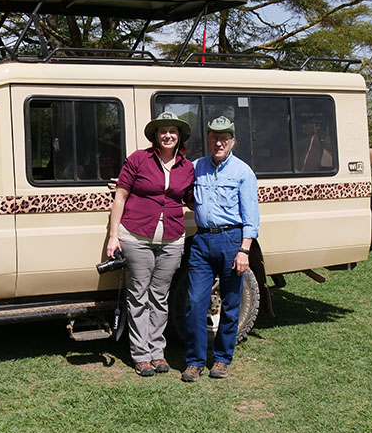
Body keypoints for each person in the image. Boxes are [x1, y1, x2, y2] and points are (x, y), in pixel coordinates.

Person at [107, 111, 195, 377]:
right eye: (162, 131)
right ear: (156, 136)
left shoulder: (187, 168)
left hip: (172, 238)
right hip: (136, 237)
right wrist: (113, 237)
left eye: (173, 131)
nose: (168, 135)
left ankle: (157, 351)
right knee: (138, 296)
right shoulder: (138, 159)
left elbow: (192, 199)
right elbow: (120, 198)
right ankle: (141, 355)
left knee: (160, 296)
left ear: (179, 137)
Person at [182, 116, 259, 382]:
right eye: (214, 137)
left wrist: (244, 251)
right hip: (202, 241)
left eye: (224, 138)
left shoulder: (243, 172)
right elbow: (170, 185)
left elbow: (251, 217)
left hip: (232, 240)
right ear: (208, 140)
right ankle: (195, 361)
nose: (219, 142)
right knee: (194, 303)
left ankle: (223, 359)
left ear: (232, 142)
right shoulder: (196, 167)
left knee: (231, 304)